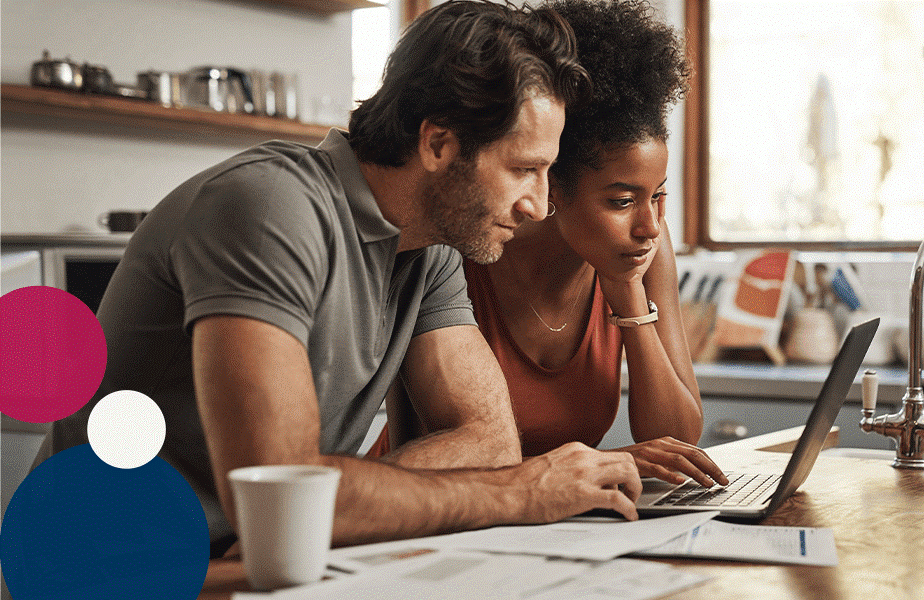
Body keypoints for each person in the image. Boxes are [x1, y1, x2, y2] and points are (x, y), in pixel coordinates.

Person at [34, 0, 641, 558]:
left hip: (257, 561)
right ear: (438, 143)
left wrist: (335, 508)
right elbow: (278, 493)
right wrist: (516, 494)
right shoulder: (269, 207)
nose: (539, 205)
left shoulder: (431, 249)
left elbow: (487, 442)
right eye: (524, 170)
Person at [369, 0, 727, 489]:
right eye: (622, 201)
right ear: (552, 185)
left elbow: (679, 440)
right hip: (431, 503)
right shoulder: (466, 244)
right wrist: (606, 464)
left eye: (659, 197)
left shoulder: (641, 252)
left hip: (554, 516)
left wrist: (625, 295)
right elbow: (444, 443)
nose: (650, 226)